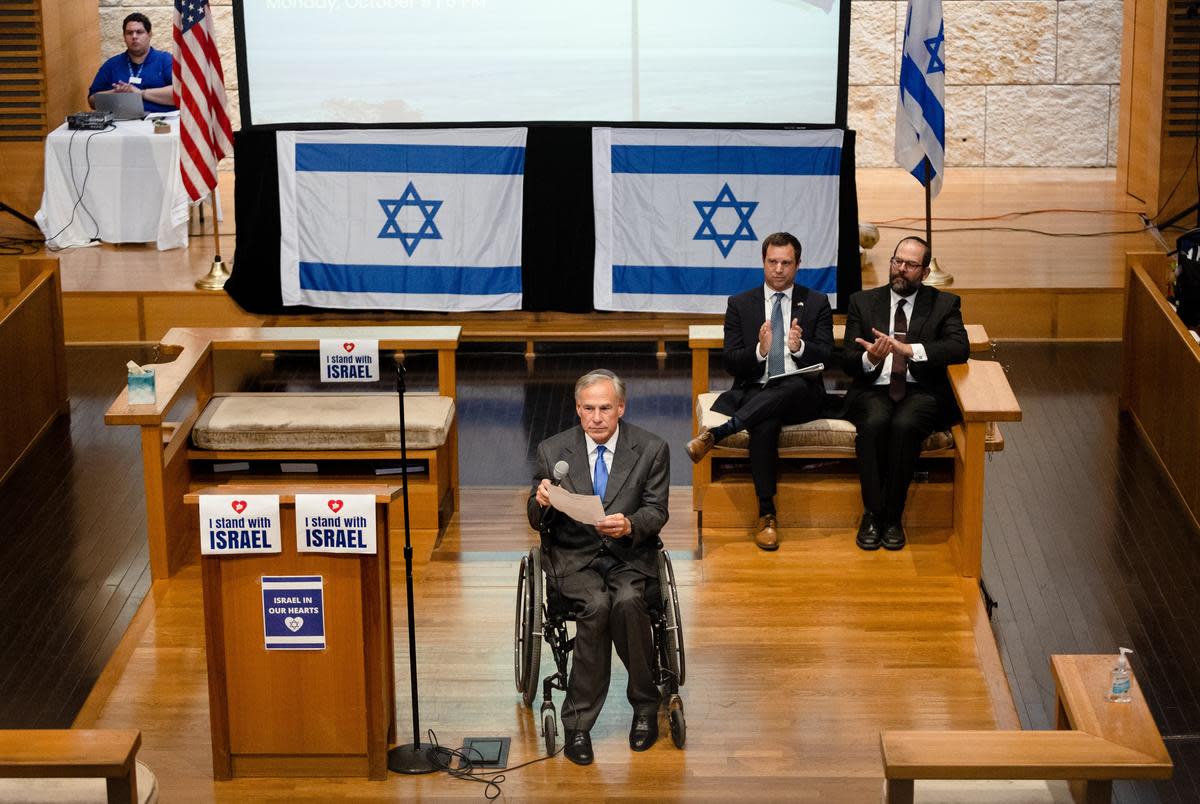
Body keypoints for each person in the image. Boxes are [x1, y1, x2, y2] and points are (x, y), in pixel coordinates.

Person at [527, 370, 671, 766]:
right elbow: (536, 522)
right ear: (577, 409)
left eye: (605, 408)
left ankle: (644, 706)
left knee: (627, 603)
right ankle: (577, 725)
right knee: (596, 607)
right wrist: (541, 502)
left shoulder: (652, 449)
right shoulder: (552, 452)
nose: (596, 417)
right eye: (588, 408)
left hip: (628, 557)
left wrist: (629, 524)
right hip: (575, 560)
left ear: (620, 408)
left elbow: (657, 511)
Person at [684, 231, 833, 551]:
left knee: (789, 385)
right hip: (756, 390)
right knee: (764, 421)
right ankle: (767, 514)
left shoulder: (817, 302)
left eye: (786, 263)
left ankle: (718, 433)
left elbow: (827, 358)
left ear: (798, 264)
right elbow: (731, 362)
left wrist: (799, 347)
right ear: (763, 262)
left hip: (803, 393)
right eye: (772, 262)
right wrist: (760, 352)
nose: (778, 269)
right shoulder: (740, 304)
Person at [842, 236, 969, 551]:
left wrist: (909, 349)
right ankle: (873, 514)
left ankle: (893, 517)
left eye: (911, 265)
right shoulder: (862, 301)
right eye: (897, 261)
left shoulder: (944, 303)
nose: (901, 269)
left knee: (905, 425)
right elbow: (847, 360)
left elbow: (959, 348)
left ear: (925, 272)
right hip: (874, 387)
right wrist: (870, 358)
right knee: (873, 424)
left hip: (921, 389)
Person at [88, 13, 177, 114]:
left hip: (161, 122)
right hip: (121, 124)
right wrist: (116, 93)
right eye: (129, 33)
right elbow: (92, 101)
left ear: (149, 34)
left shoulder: (165, 60)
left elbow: (181, 94)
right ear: (124, 37)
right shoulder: (111, 65)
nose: (134, 36)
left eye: (139, 32)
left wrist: (140, 93)